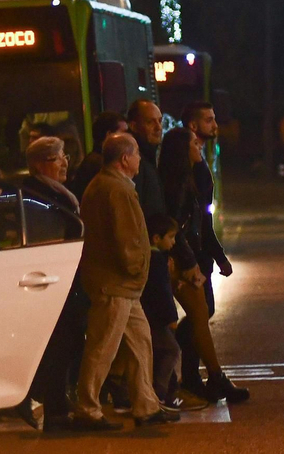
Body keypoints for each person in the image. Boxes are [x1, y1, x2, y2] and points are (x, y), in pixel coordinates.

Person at [72, 132, 176, 430]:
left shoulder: (104, 185)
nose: (140, 160)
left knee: (140, 344)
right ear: (125, 158)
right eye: (137, 155)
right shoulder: (117, 190)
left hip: (121, 286)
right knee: (102, 347)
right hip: (115, 285)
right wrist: (137, 267)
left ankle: (146, 405)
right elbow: (126, 237)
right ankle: (87, 409)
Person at [159, 126, 247, 403]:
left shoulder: (188, 178)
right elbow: (176, 230)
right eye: (194, 144)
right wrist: (188, 264)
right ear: (182, 150)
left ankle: (209, 377)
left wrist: (216, 255)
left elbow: (201, 226)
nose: (199, 148)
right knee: (198, 316)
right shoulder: (176, 184)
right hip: (182, 261)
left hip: (188, 257)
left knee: (199, 316)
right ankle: (213, 378)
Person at [23, 136, 90, 431]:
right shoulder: (38, 195)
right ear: (39, 165)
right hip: (55, 281)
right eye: (58, 158)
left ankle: (48, 403)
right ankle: (54, 409)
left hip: (62, 278)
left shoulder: (56, 192)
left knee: (67, 342)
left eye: (65, 156)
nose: (65, 163)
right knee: (60, 344)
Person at [179, 102, 234, 397]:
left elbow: (204, 217)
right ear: (193, 126)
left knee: (203, 311)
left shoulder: (198, 160)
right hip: (191, 254)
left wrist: (217, 255)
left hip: (198, 251)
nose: (215, 125)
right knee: (202, 312)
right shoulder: (189, 165)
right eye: (209, 120)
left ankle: (191, 375)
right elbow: (197, 216)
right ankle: (195, 374)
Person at [143, 214, 191, 411]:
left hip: (152, 316)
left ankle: (167, 394)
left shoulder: (151, 258)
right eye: (170, 238)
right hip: (158, 318)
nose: (173, 242)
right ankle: (160, 395)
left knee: (158, 352)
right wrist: (172, 318)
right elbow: (161, 292)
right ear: (156, 238)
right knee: (171, 350)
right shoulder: (157, 260)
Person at [126, 100, 168, 221]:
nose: (158, 127)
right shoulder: (133, 162)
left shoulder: (149, 158)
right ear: (134, 126)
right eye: (150, 122)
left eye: (160, 121)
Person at [70, 112, 127, 198]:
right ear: (109, 135)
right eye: (123, 132)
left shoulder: (94, 160)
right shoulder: (100, 165)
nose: (128, 137)